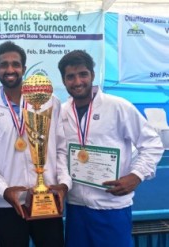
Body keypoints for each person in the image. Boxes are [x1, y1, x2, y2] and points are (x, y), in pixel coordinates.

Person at [58, 50, 164, 247]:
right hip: (75, 208)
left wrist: (137, 175)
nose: (77, 81)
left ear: (92, 75)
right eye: (70, 77)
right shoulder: (62, 112)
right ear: (64, 81)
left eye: (83, 74)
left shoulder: (118, 107)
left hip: (112, 206)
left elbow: (152, 143)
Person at [0, 41, 72, 247]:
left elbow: (60, 148)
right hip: (6, 206)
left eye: (16, 64)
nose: (10, 69)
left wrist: (64, 184)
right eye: (4, 65)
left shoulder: (49, 101)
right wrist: (4, 190)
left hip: (47, 200)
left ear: (23, 67)